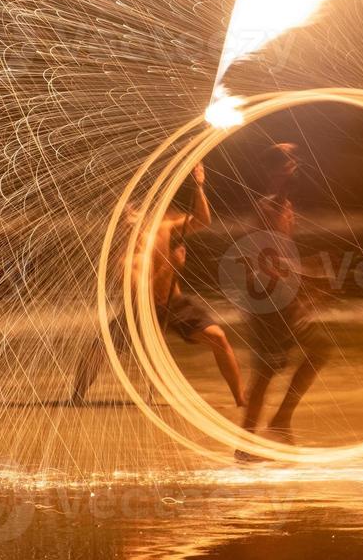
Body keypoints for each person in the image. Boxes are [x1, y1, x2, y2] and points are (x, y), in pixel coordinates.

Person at [73, 162, 245, 407]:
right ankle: (76, 397)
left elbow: (202, 221)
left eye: (132, 213)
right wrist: (172, 265)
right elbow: (144, 295)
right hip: (139, 314)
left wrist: (198, 187)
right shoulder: (124, 259)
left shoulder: (163, 228)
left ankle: (241, 400)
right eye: (123, 218)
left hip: (174, 305)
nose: (129, 219)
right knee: (100, 348)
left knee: (218, 337)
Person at [237, 143, 328, 456]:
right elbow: (265, 260)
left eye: (294, 160)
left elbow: (282, 257)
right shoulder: (268, 208)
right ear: (275, 170)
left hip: (281, 297)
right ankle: (246, 444)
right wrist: (305, 279)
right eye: (288, 161)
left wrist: (303, 286)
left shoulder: (285, 206)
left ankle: (280, 420)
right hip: (265, 299)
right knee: (265, 372)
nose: (295, 164)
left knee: (318, 350)